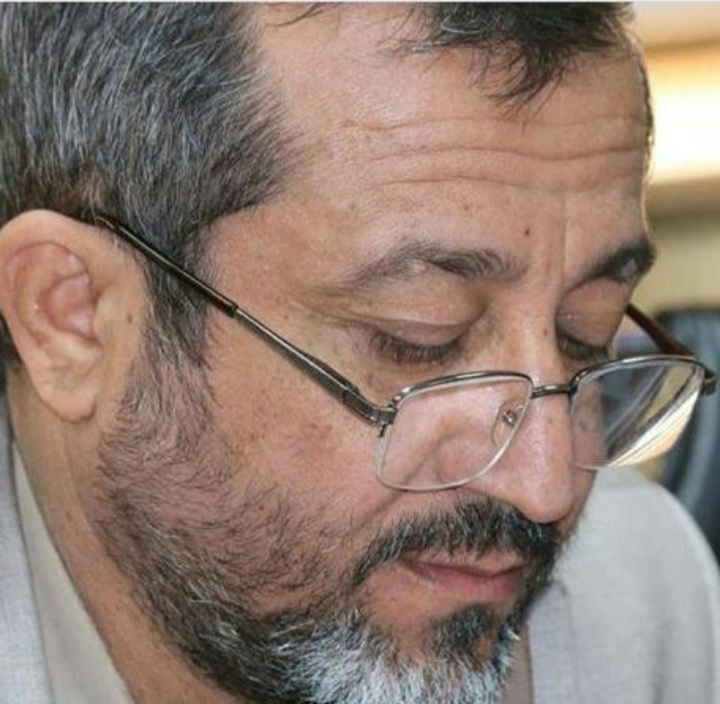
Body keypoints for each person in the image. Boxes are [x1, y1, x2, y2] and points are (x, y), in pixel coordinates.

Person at [0, 4, 718, 703]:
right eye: (419, 340)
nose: (546, 486)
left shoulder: (640, 600)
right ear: (73, 319)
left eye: (584, 332)